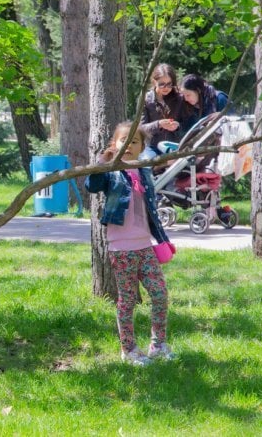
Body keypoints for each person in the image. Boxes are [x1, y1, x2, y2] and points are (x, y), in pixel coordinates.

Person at [85, 121, 176, 366]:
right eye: (122, 140)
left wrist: (162, 239)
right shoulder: (111, 172)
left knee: (159, 294)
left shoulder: (143, 169)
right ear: (114, 144)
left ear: (141, 147)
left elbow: (151, 209)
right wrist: (102, 163)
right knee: (127, 300)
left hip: (145, 246)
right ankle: (129, 350)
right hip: (121, 247)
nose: (128, 145)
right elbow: (91, 186)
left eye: (134, 141)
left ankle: (158, 345)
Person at [140, 63, 193, 159]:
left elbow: (189, 125)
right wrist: (158, 124)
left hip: (174, 146)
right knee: (146, 162)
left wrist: (177, 126)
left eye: (169, 84)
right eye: (161, 84)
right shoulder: (146, 99)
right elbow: (141, 129)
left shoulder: (180, 99)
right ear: (154, 81)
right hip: (152, 147)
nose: (166, 88)